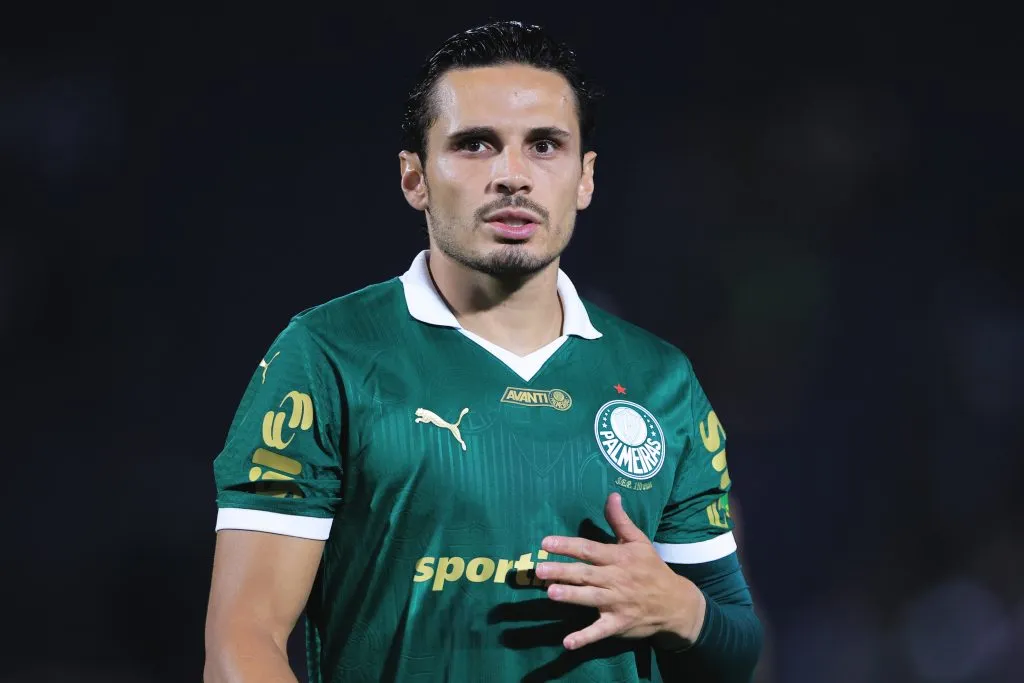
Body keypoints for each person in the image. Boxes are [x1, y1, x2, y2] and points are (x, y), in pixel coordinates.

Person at [204, 19, 763, 683]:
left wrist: (679, 606)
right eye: (475, 145)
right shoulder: (327, 356)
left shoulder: (660, 380)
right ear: (415, 178)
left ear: (584, 179)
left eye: (545, 146)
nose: (512, 176)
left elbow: (735, 647)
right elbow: (243, 639)